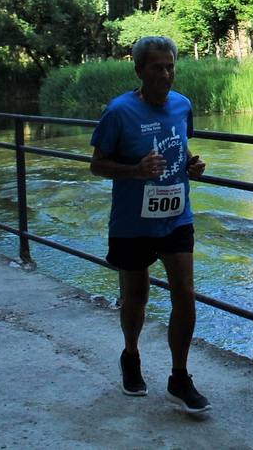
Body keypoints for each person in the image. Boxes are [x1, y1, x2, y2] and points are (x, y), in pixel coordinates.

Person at [89, 36, 209, 416]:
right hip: (132, 221)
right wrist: (134, 171)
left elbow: (178, 144)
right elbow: (97, 164)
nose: (166, 74)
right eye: (157, 67)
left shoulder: (182, 105)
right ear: (139, 70)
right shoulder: (119, 112)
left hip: (177, 216)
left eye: (171, 66)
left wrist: (190, 163)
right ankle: (131, 355)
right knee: (136, 297)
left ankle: (179, 376)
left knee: (185, 294)